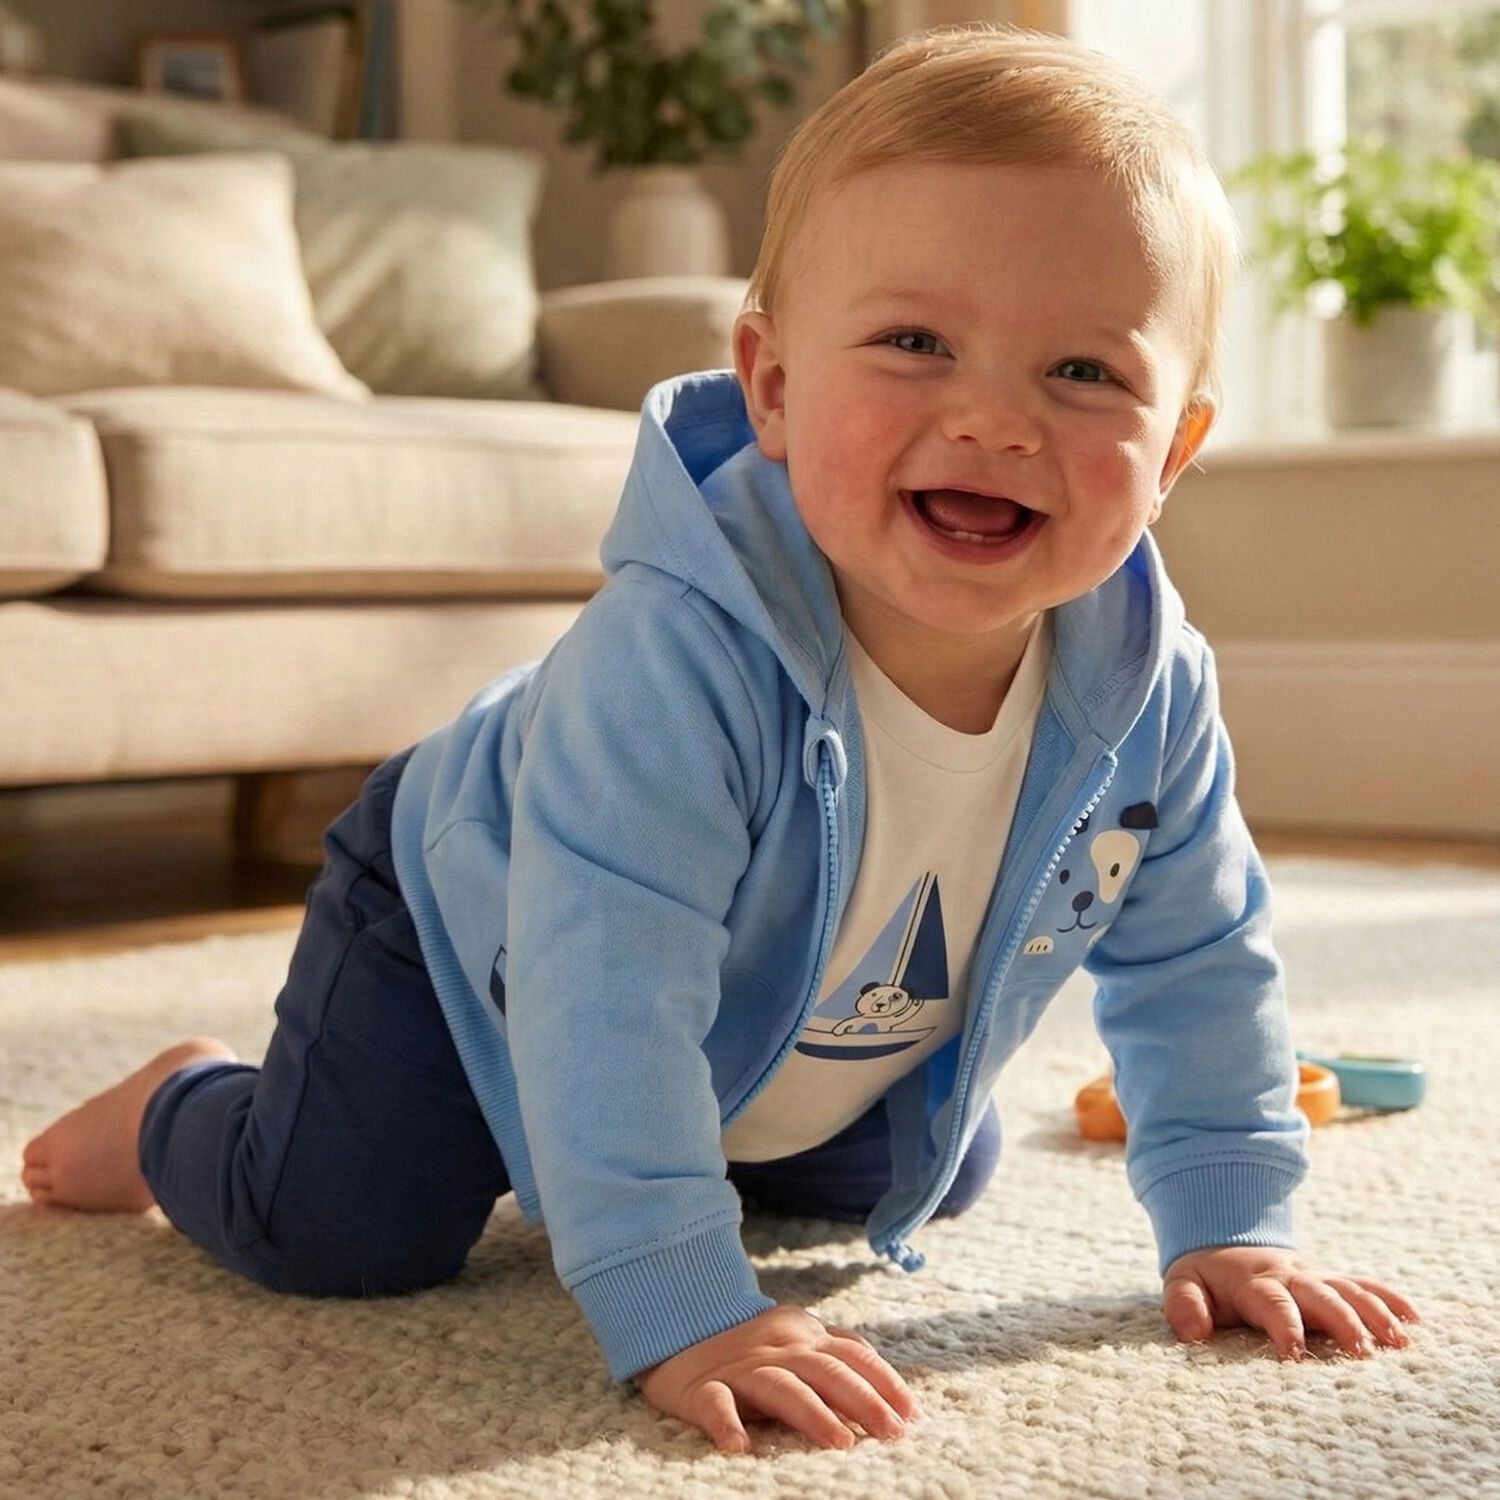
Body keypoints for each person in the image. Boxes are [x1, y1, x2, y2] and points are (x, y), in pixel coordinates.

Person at [21, 23, 1420, 1456]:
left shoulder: (1150, 687)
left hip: (776, 997)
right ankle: (177, 1107)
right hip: (473, 919)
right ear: (774, 387)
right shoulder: (674, 660)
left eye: (1082, 371)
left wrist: (1235, 1220)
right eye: (915, 344)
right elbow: (608, 991)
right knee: (344, 1227)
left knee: (925, 1168)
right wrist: (680, 1301)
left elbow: (1199, 958)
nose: (995, 419)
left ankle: (690, 1137)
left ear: (1173, 451)